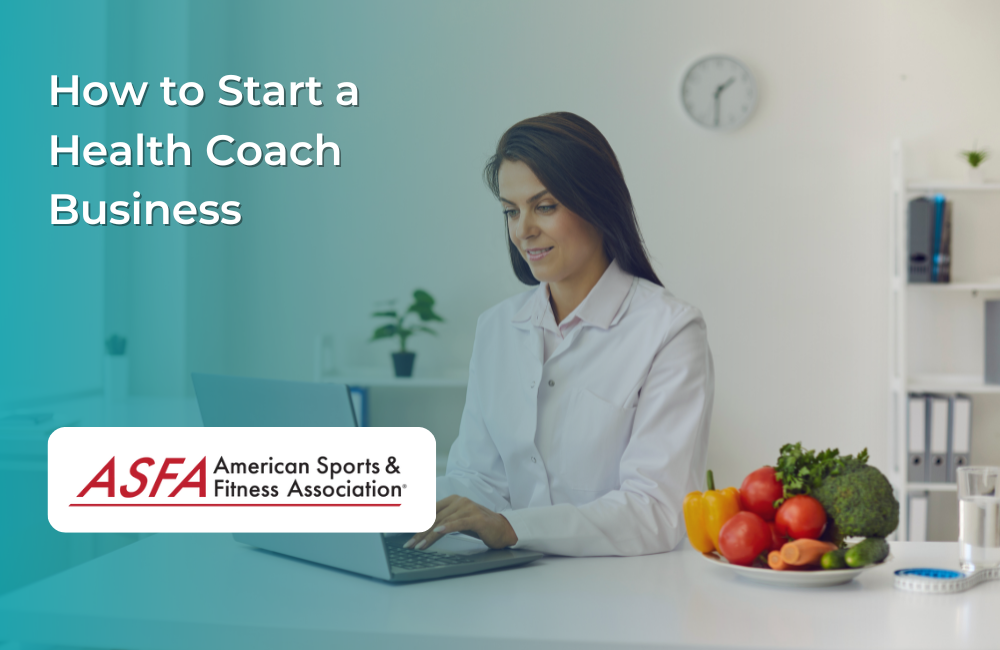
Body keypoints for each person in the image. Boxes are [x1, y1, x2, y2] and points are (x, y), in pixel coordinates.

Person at [406, 112, 714, 557]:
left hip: (619, 596)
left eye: (544, 206)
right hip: (505, 586)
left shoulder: (669, 330)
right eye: (511, 211)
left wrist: (511, 528)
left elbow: (655, 511)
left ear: (595, 203)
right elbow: (479, 479)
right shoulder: (497, 328)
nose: (523, 230)